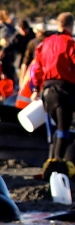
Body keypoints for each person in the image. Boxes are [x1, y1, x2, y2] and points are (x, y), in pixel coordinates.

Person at [32, 12, 75, 161]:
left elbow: (36, 69)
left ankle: (52, 162)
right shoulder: (69, 42)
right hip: (63, 91)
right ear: (71, 25)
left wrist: (36, 89)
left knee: (55, 131)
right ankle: (59, 165)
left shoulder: (44, 43)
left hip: (47, 92)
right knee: (64, 130)